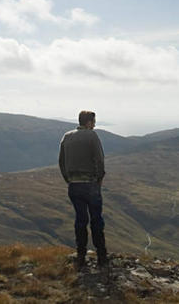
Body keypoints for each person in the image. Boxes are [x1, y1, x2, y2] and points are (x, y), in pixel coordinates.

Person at [58, 110, 107, 270]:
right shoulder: (92, 136)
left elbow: (61, 162)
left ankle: (81, 255)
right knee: (96, 220)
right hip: (91, 184)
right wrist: (99, 179)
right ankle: (101, 256)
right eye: (93, 122)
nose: (94, 125)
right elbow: (100, 159)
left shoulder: (66, 136)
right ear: (88, 122)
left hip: (74, 185)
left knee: (80, 220)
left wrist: (68, 179)